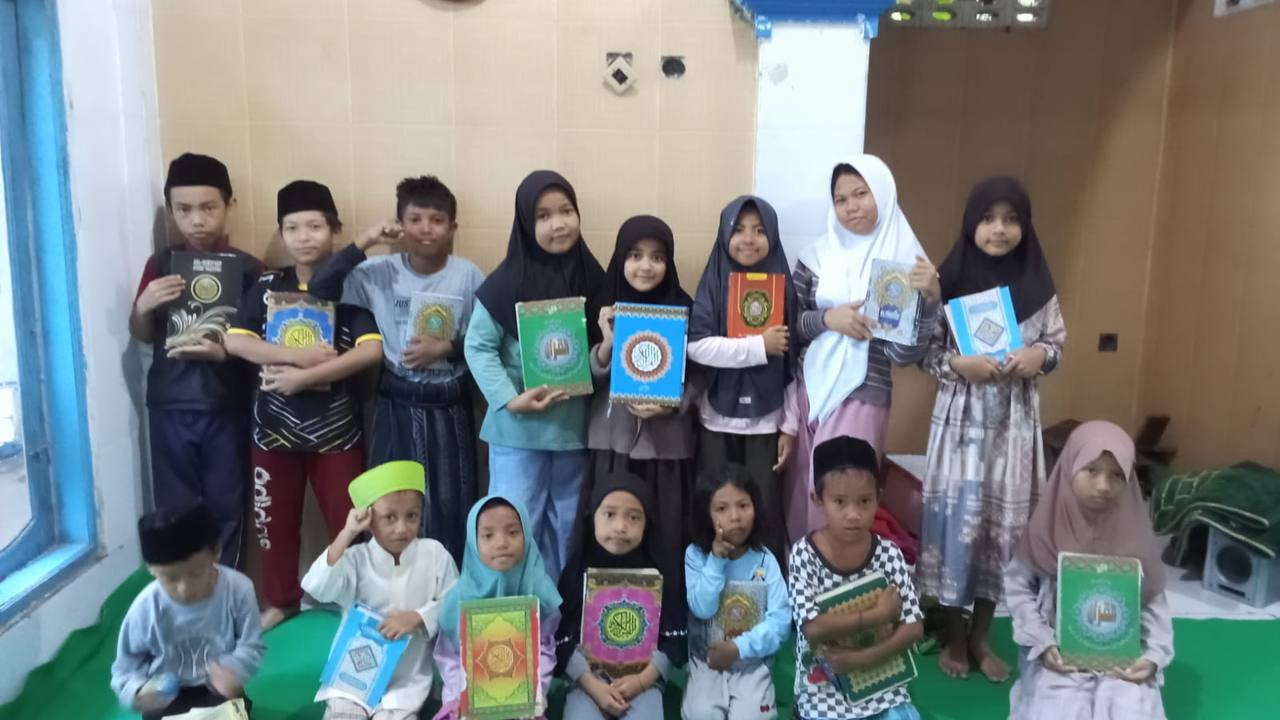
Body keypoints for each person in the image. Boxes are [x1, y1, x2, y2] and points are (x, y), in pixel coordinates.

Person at [917, 176, 1066, 682]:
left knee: (1000, 530)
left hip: (1014, 427)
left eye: (1010, 219)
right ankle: (955, 636)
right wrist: (959, 364)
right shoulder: (948, 281)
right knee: (959, 526)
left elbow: (1057, 343)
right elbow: (924, 351)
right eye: (987, 219)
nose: (998, 229)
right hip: (961, 425)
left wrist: (1038, 356)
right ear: (970, 224)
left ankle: (981, 635)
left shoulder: (1039, 286)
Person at [224, 179, 383, 629]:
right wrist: (297, 356)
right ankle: (281, 600)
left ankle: (356, 600)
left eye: (315, 226)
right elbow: (236, 341)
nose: (304, 237)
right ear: (282, 233)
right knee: (273, 523)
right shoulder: (267, 285)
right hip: (272, 431)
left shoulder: (352, 285)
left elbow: (370, 351)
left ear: (334, 229)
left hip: (337, 433)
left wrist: (305, 377)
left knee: (349, 521)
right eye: (292, 228)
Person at [307, 176, 485, 562]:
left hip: (450, 406)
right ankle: (391, 583)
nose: (426, 229)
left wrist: (447, 348)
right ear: (400, 224)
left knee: (451, 503)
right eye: (415, 219)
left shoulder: (468, 275)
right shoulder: (378, 270)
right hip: (396, 403)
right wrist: (365, 240)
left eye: (437, 220)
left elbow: (488, 341)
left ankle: (447, 584)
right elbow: (320, 288)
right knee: (392, 503)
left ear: (452, 227)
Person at [129, 153, 263, 567]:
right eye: (184, 210)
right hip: (170, 405)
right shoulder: (161, 264)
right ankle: (182, 592)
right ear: (171, 210)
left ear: (229, 206)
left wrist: (224, 351)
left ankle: (224, 589)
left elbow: (262, 345)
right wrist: (143, 306)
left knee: (227, 506)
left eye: (208, 208)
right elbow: (143, 334)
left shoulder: (250, 269)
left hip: (228, 406)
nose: (197, 220)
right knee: (175, 510)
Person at [1005, 421, 1172, 720]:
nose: (1103, 486)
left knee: (1130, 707)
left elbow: (1153, 602)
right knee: (1060, 709)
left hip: (1121, 654)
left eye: (1117, 475)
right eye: (1091, 470)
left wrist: (1153, 656)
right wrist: (1042, 642)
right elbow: (1018, 588)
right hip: (1059, 652)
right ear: (1070, 467)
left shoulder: (1134, 533)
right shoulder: (1045, 530)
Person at [302, 461, 459, 719]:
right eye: (390, 517)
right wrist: (347, 532)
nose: (402, 528)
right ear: (369, 518)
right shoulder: (356, 558)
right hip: (351, 681)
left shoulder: (434, 555)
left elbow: (455, 603)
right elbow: (316, 586)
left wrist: (418, 617)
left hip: (405, 684)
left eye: (412, 516)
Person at [111, 502, 263, 719]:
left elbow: (251, 644)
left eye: (196, 573)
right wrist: (137, 691)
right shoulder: (145, 608)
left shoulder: (238, 590)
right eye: (170, 578)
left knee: (235, 712)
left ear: (216, 552)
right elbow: (124, 669)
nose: (184, 588)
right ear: (151, 569)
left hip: (216, 688)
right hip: (165, 696)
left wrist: (233, 670)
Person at [682, 465, 790, 720]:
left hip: (751, 659)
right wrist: (716, 560)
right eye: (721, 509)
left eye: (743, 505)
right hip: (707, 658)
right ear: (706, 514)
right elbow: (702, 609)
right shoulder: (695, 556)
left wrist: (739, 648)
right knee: (701, 714)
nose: (735, 517)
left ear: (756, 507)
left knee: (753, 716)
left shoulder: (765, 560)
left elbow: (780, 622)